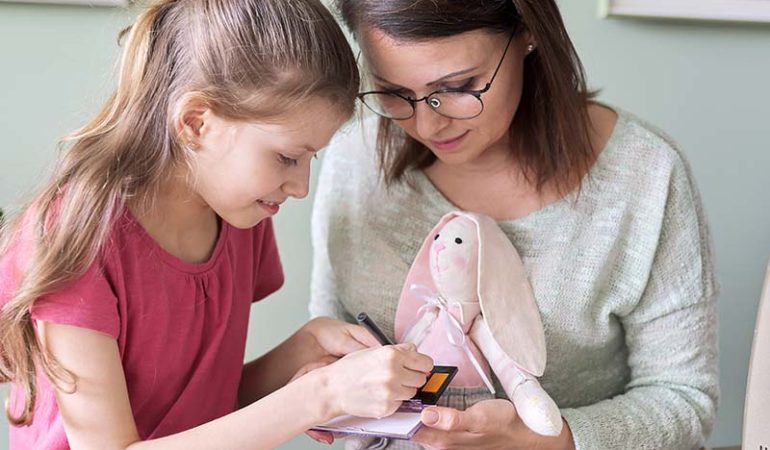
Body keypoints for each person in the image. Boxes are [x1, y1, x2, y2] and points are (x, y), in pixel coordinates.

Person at [0, 0, 435, 449]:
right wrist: (318, 396)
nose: (301, 186)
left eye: (311, 158)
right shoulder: (79, 239)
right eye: (287, 157)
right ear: (195, 123)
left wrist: (304, 349)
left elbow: (202, 409)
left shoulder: (241, 216)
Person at [309, 0, 719, 449]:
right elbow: (330, 340)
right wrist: (321, 381)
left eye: (459, 85)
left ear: (528, 31)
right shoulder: (354, 161)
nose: (426, 122)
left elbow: (684, 399)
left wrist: (555, 441)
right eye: (393, 92)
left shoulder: (645, 176)